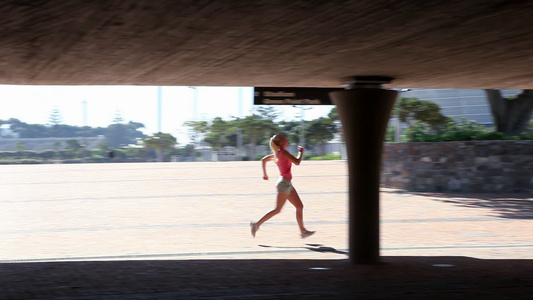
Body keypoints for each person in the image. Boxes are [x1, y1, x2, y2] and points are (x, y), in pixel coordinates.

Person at [250, 133, 315, 238]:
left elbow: (263, 160)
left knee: (299, 206)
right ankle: (256, 224)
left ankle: (303, 231)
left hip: (286, 183)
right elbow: (297, 162)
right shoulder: (283, 153)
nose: (287, 141)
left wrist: (265, 174)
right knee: (277, 209)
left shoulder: (277, 154)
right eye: (286, 139)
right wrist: (301, 152)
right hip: (284, 184)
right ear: (281, 142)